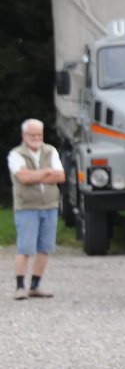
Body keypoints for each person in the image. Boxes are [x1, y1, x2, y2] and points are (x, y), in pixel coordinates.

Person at [9, 119, 65, 300]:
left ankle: (35, 286)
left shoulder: (51, 151)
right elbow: (23, 178)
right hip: (27, 207)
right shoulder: (16, 154)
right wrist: (47, 171)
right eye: (32, 135)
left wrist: (35, 175)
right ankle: (20, 287)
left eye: (39, 134)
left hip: (49, 205)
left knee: (45, 247)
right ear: (24, 135)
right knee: (24, 247)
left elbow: (60, 176)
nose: (36, 138)